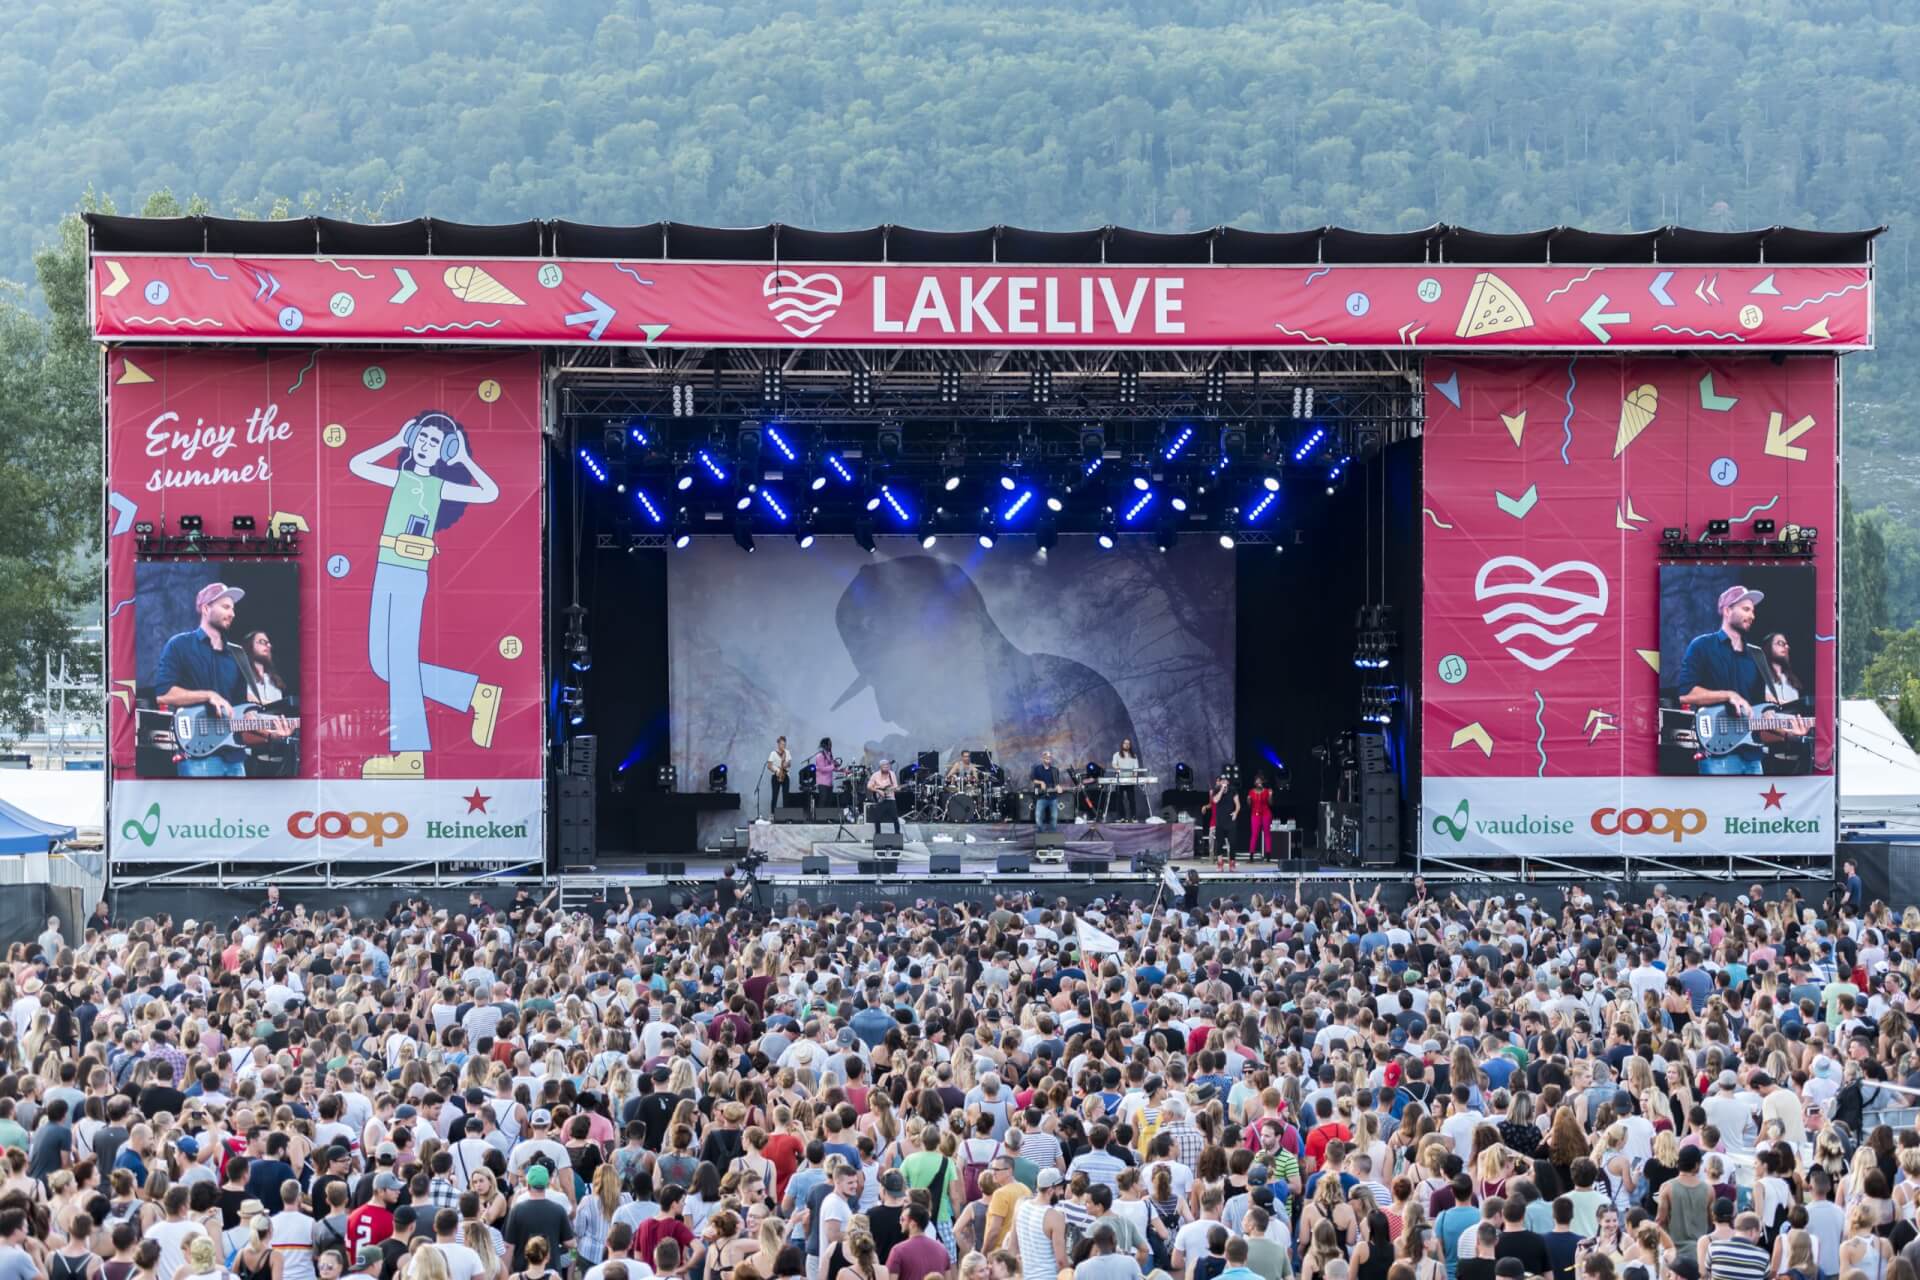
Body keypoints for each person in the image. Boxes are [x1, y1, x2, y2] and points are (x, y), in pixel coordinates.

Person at [346, 410, 503, 779]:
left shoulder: (438, 487)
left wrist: (463, 458)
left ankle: (410, 756)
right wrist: (395, 440)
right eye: (422, 438)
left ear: (443, 450)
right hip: (387, 567)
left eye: (436, 442)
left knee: (398, 661)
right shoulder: (399, 477)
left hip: (410, 571)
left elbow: (491, 492)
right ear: (413, 437)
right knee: (381, 663)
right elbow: (357, 463)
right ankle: (475, 695)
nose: (426, 445)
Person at [152, 584, 292, 777]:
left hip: (235, 759)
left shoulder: (238, 654)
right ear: (206, 608)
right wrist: (209, 695)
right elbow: (163, 695)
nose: (232, 613)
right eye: (226, 607)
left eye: (233, 608)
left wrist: (271, 733)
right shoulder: (179, 645)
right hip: (197, 757)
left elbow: (243, 712)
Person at [1676, 585, 1808, 776]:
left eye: (1753, 611)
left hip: (1753, 757)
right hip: (1716, 755)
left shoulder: (1756, 655)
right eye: (1746, 609)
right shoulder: (1702, 646)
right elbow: (1685, 694)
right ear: (1727, 610)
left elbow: (1762, 713)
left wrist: (1789, 734)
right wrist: (1728, 695)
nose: (1752, 615)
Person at [1207, 775, 1239, 869]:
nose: (1223, 782)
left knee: (1232, 842)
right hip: (1220, 820)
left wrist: (1236, 812)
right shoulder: (1216, 790)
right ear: (1220, 782)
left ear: (1228, 782)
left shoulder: (1233, 791)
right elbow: (1215, 801)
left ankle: (1232, 862)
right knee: (1219, 843)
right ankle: (1220, 863)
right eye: (1222, 781)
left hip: (1230, 820)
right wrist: (1221, 790)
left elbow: (1238, 804)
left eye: (1225, 781)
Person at [866, 761, 902, 840]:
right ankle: (878, 835)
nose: (886, 768)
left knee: (895, 818)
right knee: (877, 818)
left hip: (891, 798)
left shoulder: (892, 774)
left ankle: (897, 835)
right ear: (880, 767)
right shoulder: (875, 775)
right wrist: (878, 791)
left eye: (887, 766)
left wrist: (896, 789)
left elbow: (895, 786)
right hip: (880, 799)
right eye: (884, 766)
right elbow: (869, 786)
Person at [1030, 752, 1064, 833]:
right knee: (1038, 818)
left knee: (1054, 818)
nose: (1048, 759)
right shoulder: (1037, 768)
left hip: (1053, 798)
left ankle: (1051, 839)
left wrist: (1058, 788)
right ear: (1042, 758)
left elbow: (1056, 784)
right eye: (1046, 758)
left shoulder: (1055, 770)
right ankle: (1042, 836)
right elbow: (1033, 780)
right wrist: (1041, 782)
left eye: (1049, 758)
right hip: (1041, 797)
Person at [1110, 740, 1143, 821]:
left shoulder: (1134, 756)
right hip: (1120, 780)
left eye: (1128, 744)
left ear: (1130, 745)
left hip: (1130, 780)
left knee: (1131, 799)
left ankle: (1133, 817)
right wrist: (1117, 767)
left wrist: (1135, 776)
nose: (1127, 745)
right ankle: (1122, 817)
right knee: (1119, 800)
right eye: (1125, 743)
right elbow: (1114, 764)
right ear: (1122, 745)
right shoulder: (1117, 755)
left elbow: (1136, 768)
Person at [1244, 774, 1274, 862]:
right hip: (1255, 814)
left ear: (1262, 782)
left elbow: (1270, 803)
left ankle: (1268, 856)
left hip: (1266, 813)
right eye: (1257, 781)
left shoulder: (1267, 791)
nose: (1258, 782)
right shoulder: (1251, 792)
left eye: (1260, 781)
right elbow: (1249, 805)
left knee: (1267, 834)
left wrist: (1270, 795)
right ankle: (1251, 857)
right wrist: (1248, 800)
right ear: (1255, 782)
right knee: (1254, 834)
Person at [767, 737, 793, 814]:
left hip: (785, 775)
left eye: (784, 744)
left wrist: (787, 764)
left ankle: (785, 815)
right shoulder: (773, 753)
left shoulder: (787, 752)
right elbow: (769, 766)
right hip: (776, 775)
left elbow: (790, 764)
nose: (783, 746)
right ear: (778, 744)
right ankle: (773, 814)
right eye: (782, 744)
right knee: (775, 796)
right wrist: (776, 771)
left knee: (786, 796)